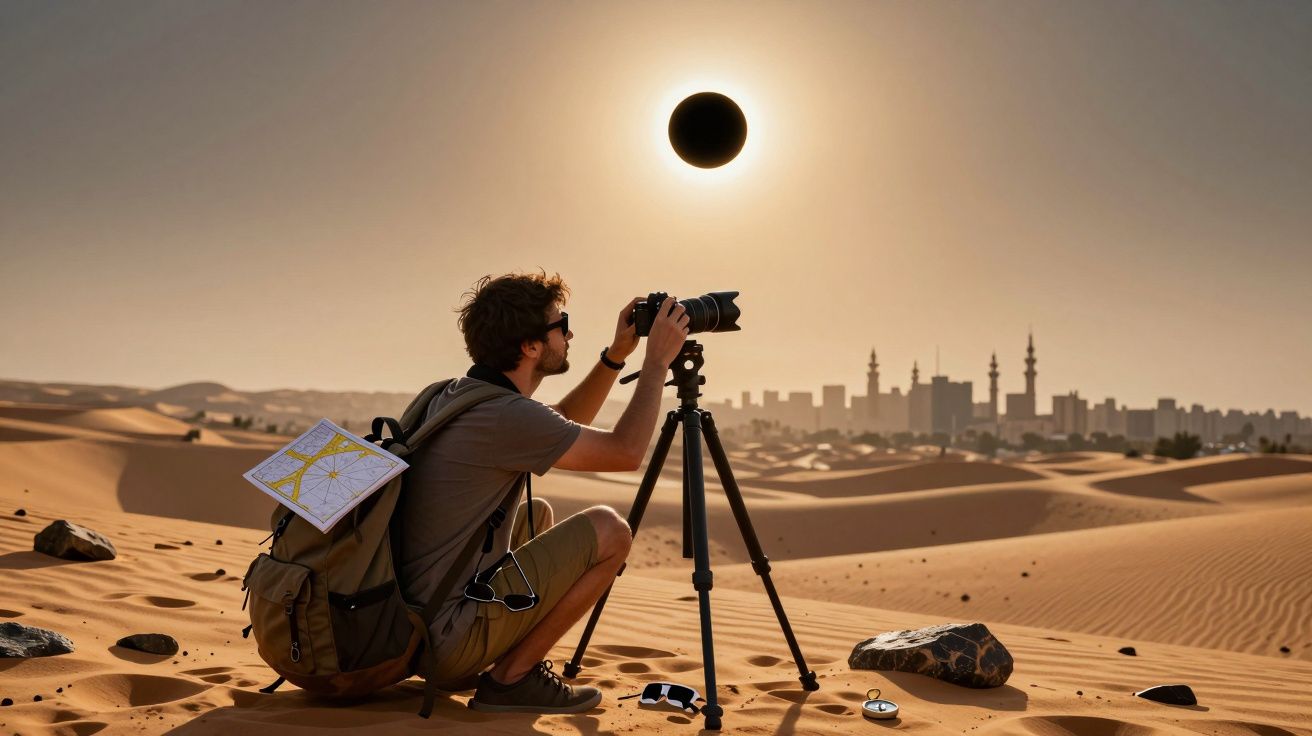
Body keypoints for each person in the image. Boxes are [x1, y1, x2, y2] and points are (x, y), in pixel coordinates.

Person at [397, 271, 690, 714]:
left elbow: (563, 419)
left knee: (538, 514)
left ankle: (498, 663)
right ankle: (511, 680)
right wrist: (655, 365)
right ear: (530, 346)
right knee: (609, 530)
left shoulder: (451, 396)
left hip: (410, 627)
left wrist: (616, 356)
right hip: (447, 639)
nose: (569, 333)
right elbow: (626, 452)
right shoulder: (504, 417)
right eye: (560, 323)